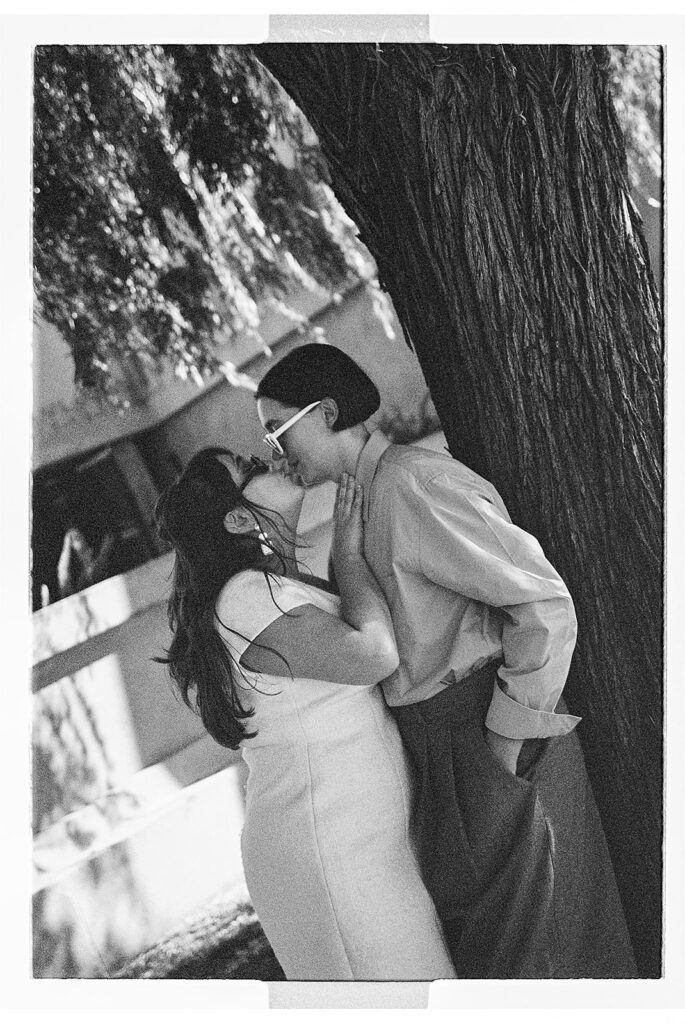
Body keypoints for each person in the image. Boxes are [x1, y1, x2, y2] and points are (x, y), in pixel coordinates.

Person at [255, 342, 638, 979]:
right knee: (500, 965)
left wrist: (503, 747)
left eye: (278, 429)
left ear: (325, 412)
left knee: (548, 959)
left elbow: (543, 604)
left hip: (486, 733)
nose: (274, 451)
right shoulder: (363, 501)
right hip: (440, 754)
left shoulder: (414, 485)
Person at [154, 446, 456, 981]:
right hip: (328, 850)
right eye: (249, 468)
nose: (267, 458)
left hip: (356, 841)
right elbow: (374, 654)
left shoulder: (274, 585)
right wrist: (348, 558)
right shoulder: (247, 598)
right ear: (239, 518)